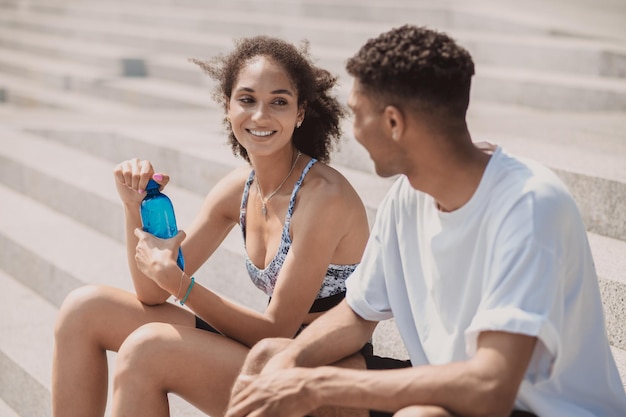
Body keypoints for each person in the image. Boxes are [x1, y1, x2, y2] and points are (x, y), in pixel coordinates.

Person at [225, 25, 626, 417]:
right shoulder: (406, 197)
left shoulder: (531, 206)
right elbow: (358, 313)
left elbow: (490, 388)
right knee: (269, 356)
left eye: (357, 113)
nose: (353, 131)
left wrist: (314, 386)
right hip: (448, 393)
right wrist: (289, 360)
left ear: (393, 123)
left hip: (532, 407)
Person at [51, 35, 370, 417]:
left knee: (148, 349)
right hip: (261, 351)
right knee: (83, 309)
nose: (260, 116)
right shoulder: (240, 187)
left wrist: (182, 285)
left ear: (300, 113)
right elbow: (151, 292)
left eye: (279, 102)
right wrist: (133, 206)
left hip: (317, 371)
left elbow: (277, 331)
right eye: (247, 99)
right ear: (228, 106)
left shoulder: (323, 197)